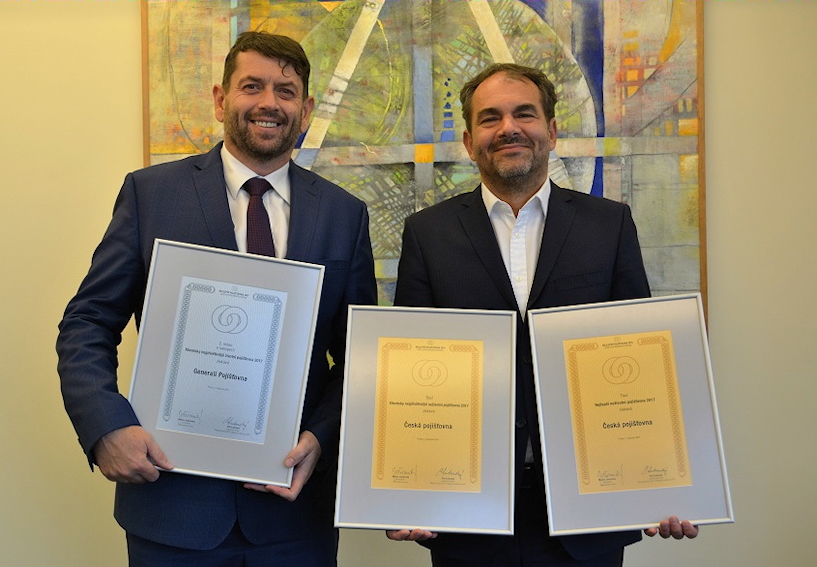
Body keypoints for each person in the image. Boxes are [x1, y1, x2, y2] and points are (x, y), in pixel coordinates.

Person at [57, 31, 376, 566]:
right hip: (172, 504)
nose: (269, 102)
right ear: (221, 99)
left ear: (306, 110)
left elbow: (358, 356)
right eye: (252, 86)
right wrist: (105, 424)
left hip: (294, 514)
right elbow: (87, 321)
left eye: (286, 91)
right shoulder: (150, 194)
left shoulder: (345, 215)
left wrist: (322, 437)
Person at [387, 63, 698, 566]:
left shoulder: (609, 225)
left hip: (588, 512)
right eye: (490, 118)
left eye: (524, 114)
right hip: (467, 513)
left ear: (551, 132)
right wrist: (405, 492)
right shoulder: (428, 233)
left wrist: (664, 485)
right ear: (469, 142)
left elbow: (641, 361)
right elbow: (410, 372)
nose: (508, 127)